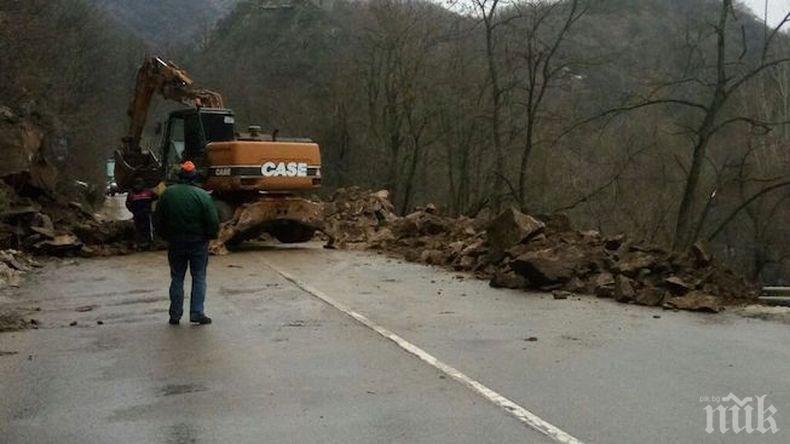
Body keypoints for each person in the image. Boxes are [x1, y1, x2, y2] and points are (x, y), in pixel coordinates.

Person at [155, 161, 219, 325]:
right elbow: (212, 221)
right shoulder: (202, 195)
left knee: (177, 277)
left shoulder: (167, 194)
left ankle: (175, 315)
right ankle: (197, 313)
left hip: (176, 242)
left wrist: (165, 236)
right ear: (194, 176)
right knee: (198, 276)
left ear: (180, 176)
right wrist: (210, 236)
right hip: (198, 243)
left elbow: (158, 219)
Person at [125, 177, 157, 249]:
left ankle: (139, 244)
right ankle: (148, 243)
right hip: (146, 214)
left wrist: (132, 210)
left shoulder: (131, 193)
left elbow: (127, 204)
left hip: (137, 214)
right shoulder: (148, 192)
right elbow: (156, 197)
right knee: (147, 229)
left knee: (138, 229)